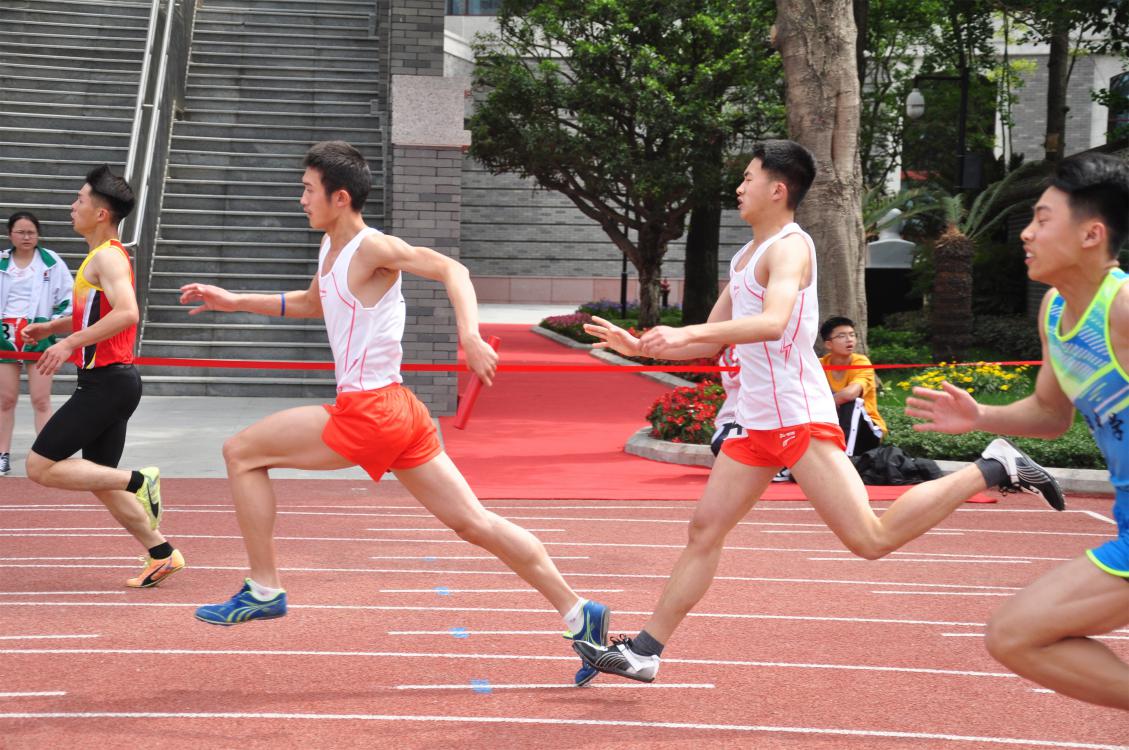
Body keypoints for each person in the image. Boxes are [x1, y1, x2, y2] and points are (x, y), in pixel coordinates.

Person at [572, 139, 1063, 684]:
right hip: (755, 422)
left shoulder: (790, 248)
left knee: (870, 539)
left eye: (749, 177)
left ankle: (994, 466)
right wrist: (640, 346)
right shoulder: (745, 256)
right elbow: (708, 342)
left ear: (777, 189)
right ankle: (646, 651)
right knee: (704, 530)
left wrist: (685, 332)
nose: (739, 187)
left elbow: (774, 322)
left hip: (798, 416)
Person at [181, 141, 608, 685]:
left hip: (371, 410)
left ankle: (264, 589)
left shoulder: (372, 247)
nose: (301, 199)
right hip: (398, 410)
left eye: (308, 190)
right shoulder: (331, 248)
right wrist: (234, 300)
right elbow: (312, 303)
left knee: (241, 452)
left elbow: (453, 269)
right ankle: (580, 612)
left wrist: (470, 337)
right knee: (474, 523)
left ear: (339, 197)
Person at [908, 152, 1129, 710]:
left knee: (1016, 634)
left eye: (1043, 219)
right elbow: (1051, 415)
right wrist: (980, 416)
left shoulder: (1124, 308)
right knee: (1013, 635)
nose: (1027, 233)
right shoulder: (1055, 310)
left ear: (1091, 234)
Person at [21, 165, 178, 589]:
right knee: (100, 479)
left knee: (39, 466)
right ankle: (162, 553)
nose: (72, 207)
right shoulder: (100, 256)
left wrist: (69, 344)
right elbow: (96, 312)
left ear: (102, 213)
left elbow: (127, 312)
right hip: (112, 383)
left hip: (106, 384)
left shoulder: (108, 256)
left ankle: (141, 480)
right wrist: (53, 328)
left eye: (80, 200)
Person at [0, 211, 74, 475]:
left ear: (38, 234)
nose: (26, 237)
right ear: (10, 234)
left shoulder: (51, 262)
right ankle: (2, 454)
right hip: (5, 335)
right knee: (5, 399)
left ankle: (47, 455)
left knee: (41, 399)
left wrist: (51, 324)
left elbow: (68, 298)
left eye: (31, 232)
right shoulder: (2, 261)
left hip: (39, 333)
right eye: (20, 232)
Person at [819, 315, 886, 457]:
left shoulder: (861, 362)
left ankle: (844, 457)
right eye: (841, 336)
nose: (849, 339)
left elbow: (850, 394)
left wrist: (824, 405)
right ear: (828, 344)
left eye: (852, 335)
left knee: (851, 402)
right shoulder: (819, 365)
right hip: (833, 425)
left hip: (868, 430)